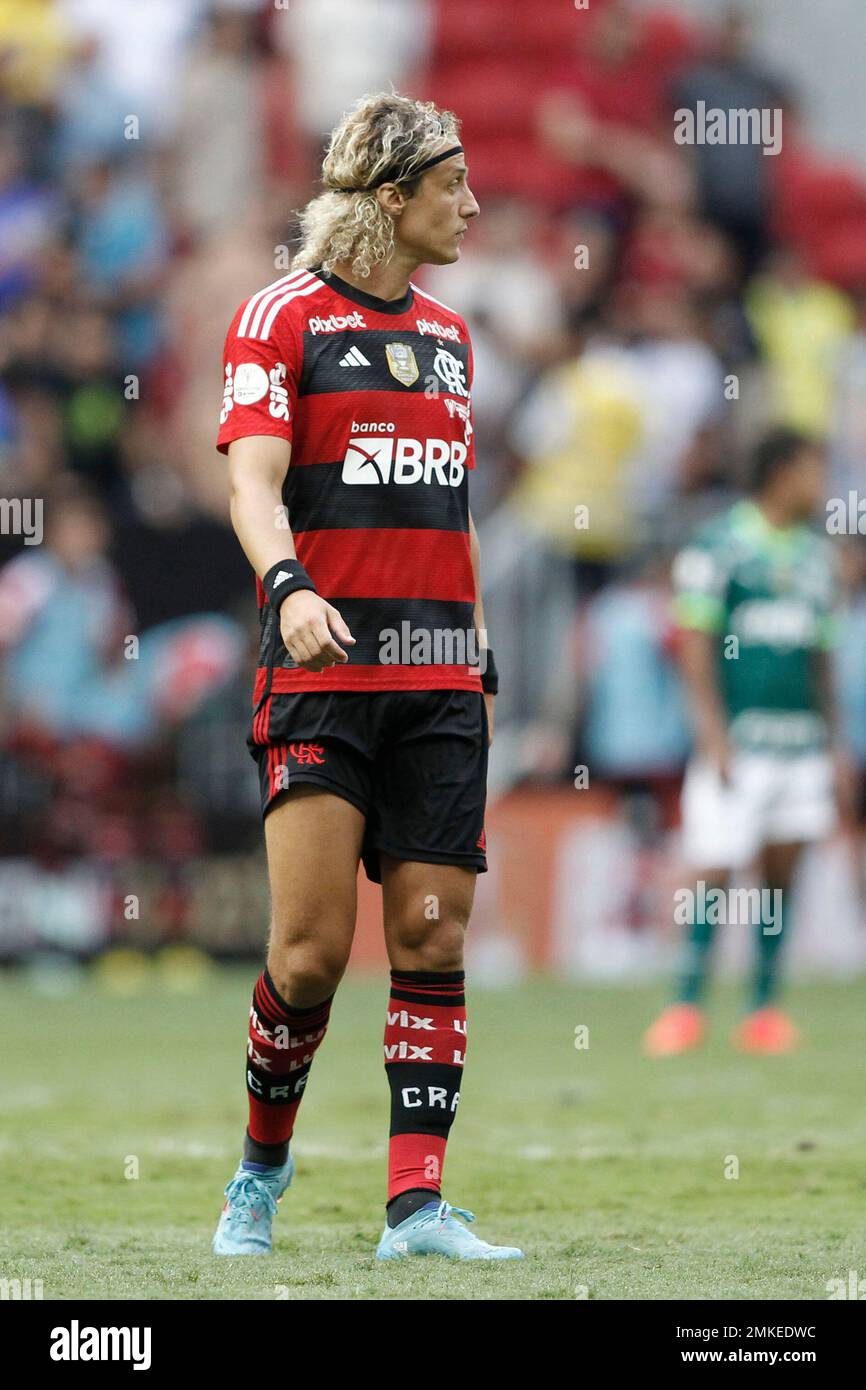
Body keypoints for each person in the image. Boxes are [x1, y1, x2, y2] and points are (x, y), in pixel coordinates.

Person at [212, 92, 522, 1261]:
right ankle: (258, 1172)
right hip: (323, 676)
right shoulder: (277, 317)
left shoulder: (449, 335)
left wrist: (479, 646)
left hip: (439, 680)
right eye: (452, 186)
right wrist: (289, 586)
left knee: (432, 941)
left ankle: (415, 1209)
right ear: (393, 197)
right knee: (306, 956)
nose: (472, 204)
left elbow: (453, 508)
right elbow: (251, 483)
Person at [644, 428, 852, 1056]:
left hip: (801, 743)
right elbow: (697, 647)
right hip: (738, 741)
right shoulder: (718, 546)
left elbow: (822, 658)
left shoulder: (819, 558)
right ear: (781, 472)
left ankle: (763, 1010)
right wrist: (713, 736)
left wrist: (836, 744)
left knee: (781, 875)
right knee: (714, 869)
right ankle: (684, 1006)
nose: (822, 487)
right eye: (813, 472)